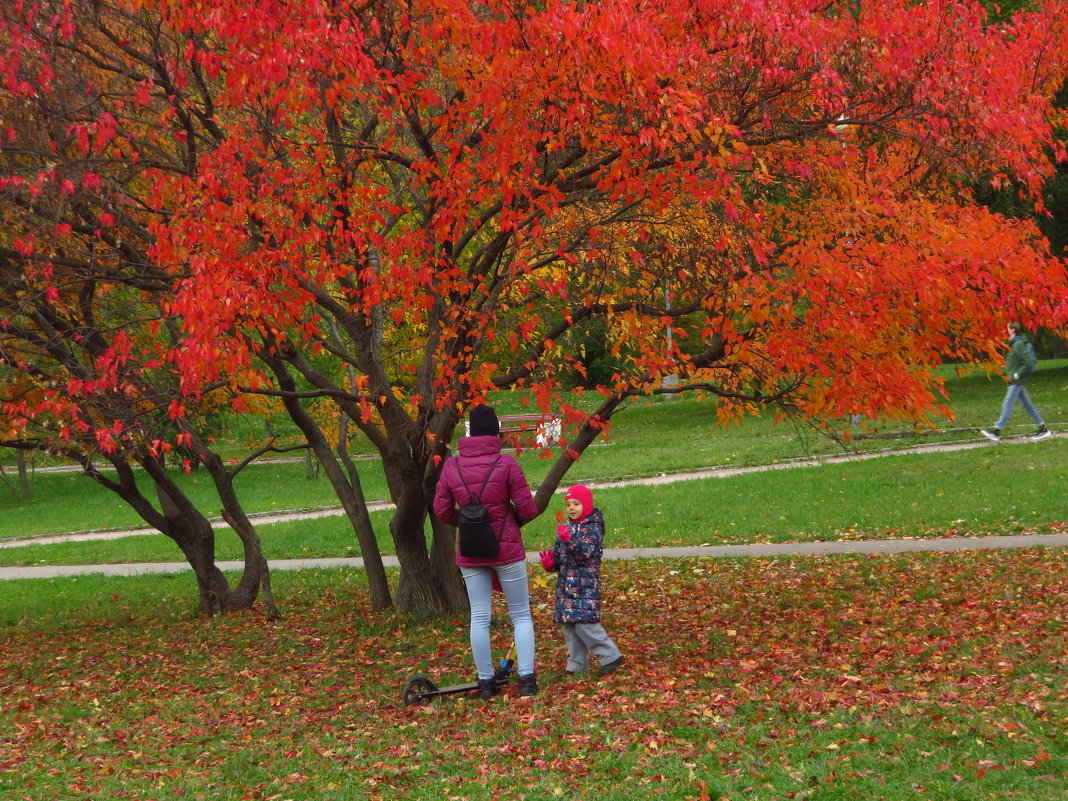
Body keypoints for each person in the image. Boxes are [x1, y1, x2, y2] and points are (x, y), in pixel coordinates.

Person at [433, 404, 540, 698]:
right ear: (496, 432)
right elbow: (528, 508)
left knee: (479, 616)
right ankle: (527, 680)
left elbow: (441, 509)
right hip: (507, 550)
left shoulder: (451, 467)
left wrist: (467, 522)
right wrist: (509, 523)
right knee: (520, 615)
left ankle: (485, 683)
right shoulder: (507, 465)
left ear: (470, 432)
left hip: (470, 550)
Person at [539, 484, 624, 677]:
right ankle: (577, 663)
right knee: (569, 627)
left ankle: (610, 656)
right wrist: (550, 563)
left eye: (576, 504)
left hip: (585, 587)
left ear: (586, 505)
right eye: (568, 504)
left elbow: (585, 554)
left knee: (586, 625)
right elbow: (561, 557)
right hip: (566, 588)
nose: (571, 508)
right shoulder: (566, 529)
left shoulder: (593, 528)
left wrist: (569, 539)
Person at [981, 322, 1052, 442]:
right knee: (1028, 405)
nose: (1006, 329)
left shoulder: (1018, 344)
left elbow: (1028, 363)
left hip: (1016, 380)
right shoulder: (1013, 344)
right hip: (1014, 379)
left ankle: (997, 431)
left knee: (1007, 403)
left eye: (1007, 327)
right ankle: (1043, 429)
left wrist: (1017, 374)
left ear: (1013, 329)